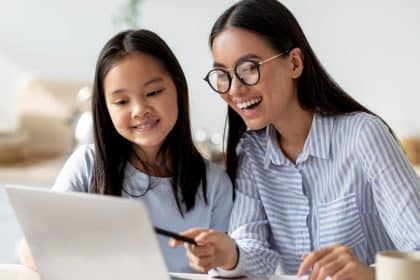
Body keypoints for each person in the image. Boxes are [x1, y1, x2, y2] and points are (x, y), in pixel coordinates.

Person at [170, 0, 420, 279]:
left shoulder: (363, 136)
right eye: (223, 75)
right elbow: (256, 253)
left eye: (249, 68)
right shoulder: (251, 153)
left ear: (295, 63)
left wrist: (368, 274)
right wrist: (228, 253)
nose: (235, 89)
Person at [19, 29, 233, 273]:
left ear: (178, 87)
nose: (140, 110)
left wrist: (215, 259)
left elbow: (229, 269)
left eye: (153, 93)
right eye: (121, 101)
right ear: (106, 109)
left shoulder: (215, 185)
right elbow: (31, 249)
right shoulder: (87, 165)